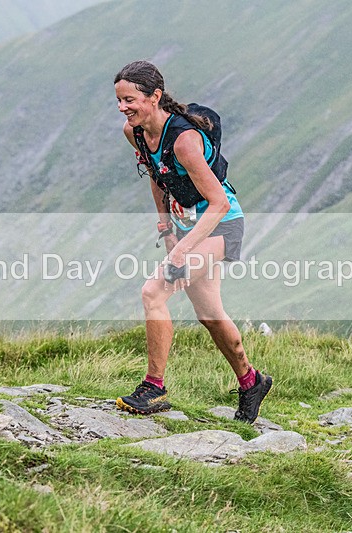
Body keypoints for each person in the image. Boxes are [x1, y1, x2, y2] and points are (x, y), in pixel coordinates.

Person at [113, 60, 272, 423]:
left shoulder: (185, 140)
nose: (123, 108)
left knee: (153, 292)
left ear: (154, 97)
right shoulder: (134, 131)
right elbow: (156, 175)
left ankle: (154, 388)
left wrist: (183, 250)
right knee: (211, 316)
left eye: (130, 100)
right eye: (119, 101)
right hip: (187, 227)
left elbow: (217, 203)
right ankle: (251, 381)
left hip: (221, 225)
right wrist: (167, 230)